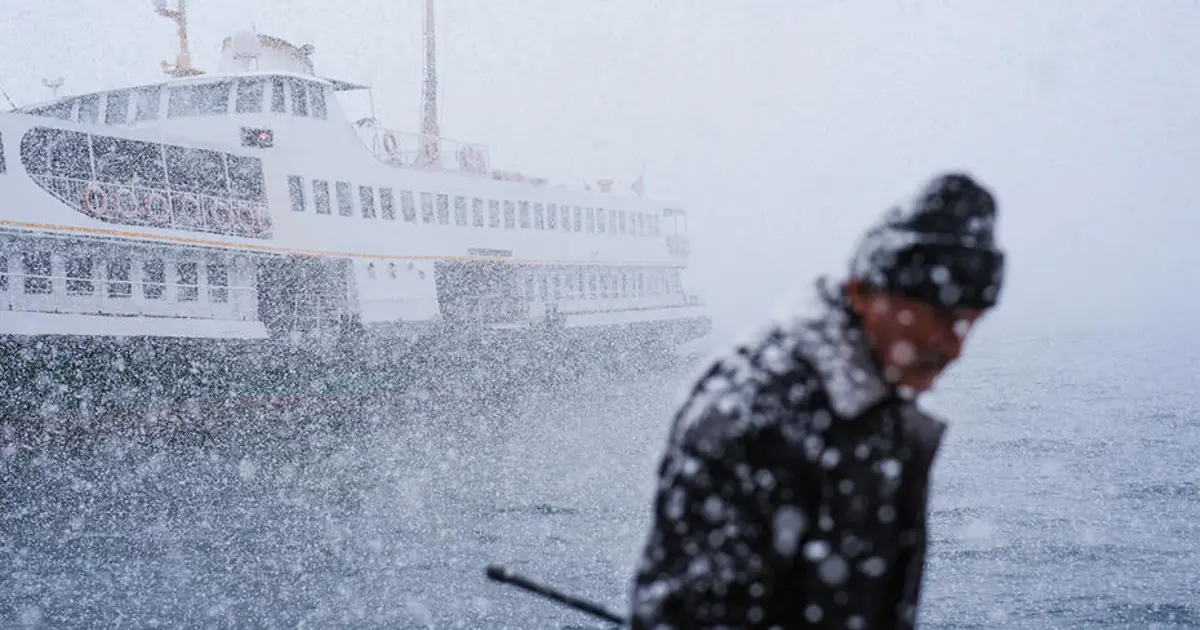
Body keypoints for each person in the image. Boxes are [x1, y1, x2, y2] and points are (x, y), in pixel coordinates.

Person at [629, 173, 1006, 629]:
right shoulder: (755, 416)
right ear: (863, 293)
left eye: (969, 323)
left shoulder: (868, 398)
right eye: (942, 319)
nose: (954, 347)